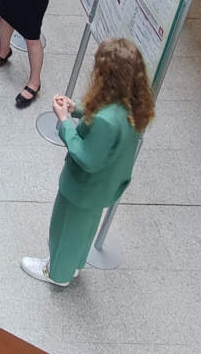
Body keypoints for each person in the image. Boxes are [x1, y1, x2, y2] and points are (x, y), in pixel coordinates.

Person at [21, 37, 154, 286]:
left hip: (82, 188)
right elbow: (105, 111)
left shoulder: (105, 121)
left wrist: (65, 121)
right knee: (84, 229)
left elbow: (86, 157)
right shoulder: (133, 103)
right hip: (104, 186)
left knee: (65, 227)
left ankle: (57, 272)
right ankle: (73, 264)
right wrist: (77, 108)